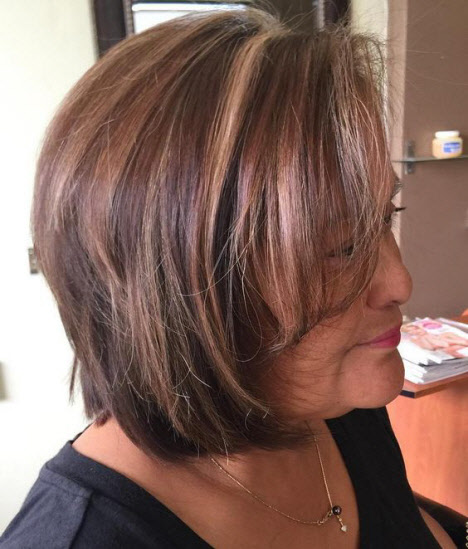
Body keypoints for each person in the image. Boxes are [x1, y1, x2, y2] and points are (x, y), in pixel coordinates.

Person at [0, 8, 458, 549]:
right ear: (181, 288)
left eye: (385, 218)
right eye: (341, 248)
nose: (399, 282)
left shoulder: (337, 402)